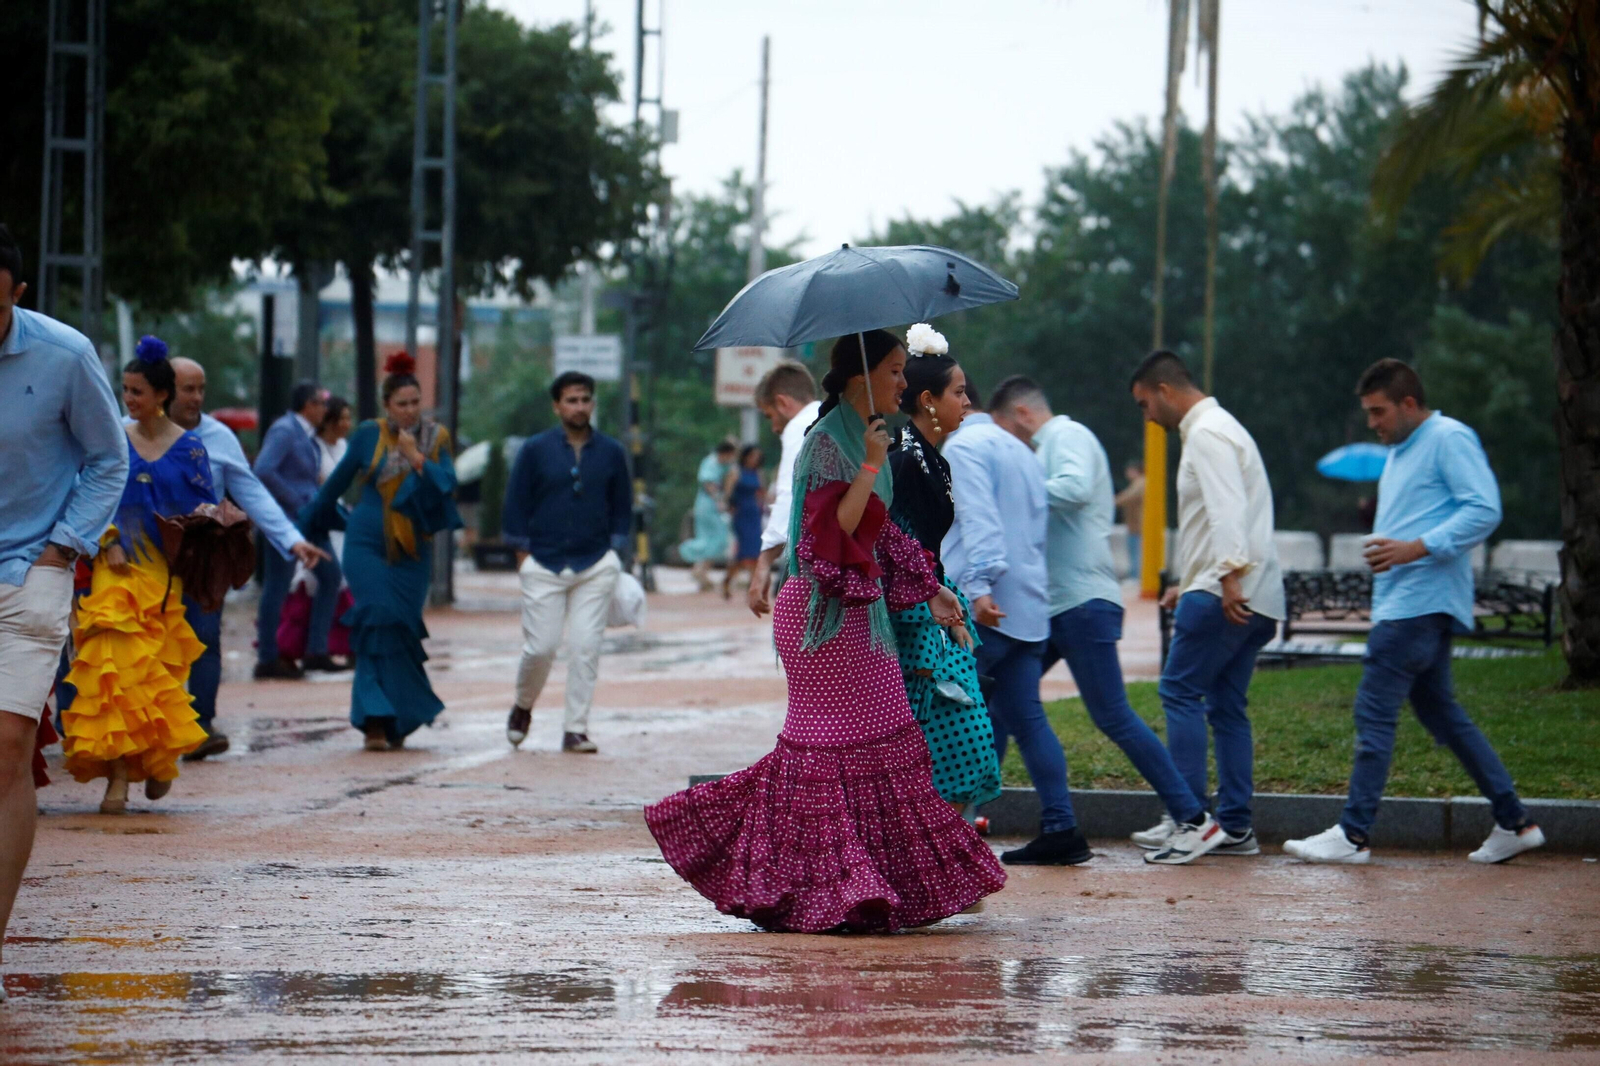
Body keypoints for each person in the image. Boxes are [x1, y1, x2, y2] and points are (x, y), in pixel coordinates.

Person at [645, 330, 1004, 932]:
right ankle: (822, 885)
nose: (902, 382)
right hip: (820, 615)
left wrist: (932, 587)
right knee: (836, 751)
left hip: (862, 612)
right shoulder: (825, 444)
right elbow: (829, 534)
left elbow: (882, 532)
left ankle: (875, 882)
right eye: (894, 371)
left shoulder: (870, 434)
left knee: (888, 741)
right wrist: (868, 461)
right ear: (862, 375)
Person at [1286, 360, 1544, 865]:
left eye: (1378, 411)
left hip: (1416, 607)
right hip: (1411, 603)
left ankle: (1353, 834)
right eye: (1367, 412)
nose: (1371, 422)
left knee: (1373, 715)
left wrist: (1415, 548)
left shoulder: (1448, 437)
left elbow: (1485, 508)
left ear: (1408, 403)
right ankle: (1516, 821)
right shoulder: (1403, 450)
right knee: (1444, 716)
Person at [990, 376, 1224, 865]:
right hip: (1056, 605)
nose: (1006, 448)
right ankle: (1048, 827)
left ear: (1023, 415)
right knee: (1005, 703)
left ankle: (1194, 818)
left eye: (1005, 433)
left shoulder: (1066, 437)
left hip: (1079, 603)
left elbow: (1073, 489)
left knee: (1111, 714)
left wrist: (1010, 488)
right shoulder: (1045, 446)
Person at [0, 222, 127, 978]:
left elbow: (109, 459)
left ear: (16, 291)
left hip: (31, 571)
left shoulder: (65, 355)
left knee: (10, 749)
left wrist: (63, 548)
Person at [1128, 351, 1283, 862]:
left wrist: (1226, 575)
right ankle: (1234, 826)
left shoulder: (1208, 433)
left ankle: (1189, 820)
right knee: (1226, 707)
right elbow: (1222, 515)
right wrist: (1194, 579)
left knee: (1178, 692)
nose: (1147, 415)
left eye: (1146, 403)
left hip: (1226, 590)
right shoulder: (1224, 428)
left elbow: (1226, 509)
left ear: (1166, 390)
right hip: (1250, 592)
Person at [62, 336, 212, 812]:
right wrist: (106, 541)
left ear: (161, 395)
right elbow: (85, 493)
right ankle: (119, 778)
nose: (128, 399)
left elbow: (202, 515)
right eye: (125, 390)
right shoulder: (112, 442)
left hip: (164, 576)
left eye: (137, 391)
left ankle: (159, 759)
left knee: (159, 676)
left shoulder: (190, 450)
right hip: (113, 570)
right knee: (115, 676)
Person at [945, 379, 1089, 867]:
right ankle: (1061, 824)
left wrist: (980, 588)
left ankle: (952, 837)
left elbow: (981, 523)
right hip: (1028, 608)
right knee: (1028, 721)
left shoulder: (964, 446)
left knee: (951, 717)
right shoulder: (1022, 450)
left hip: (987, 607)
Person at [166, 358, 330, 761]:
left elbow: (252, 491)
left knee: (205, 636)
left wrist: (291, 540)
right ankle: (154, 729)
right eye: (188, 389)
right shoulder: (130, 432)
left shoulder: (219, 438)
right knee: (150, 645)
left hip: (203, 558)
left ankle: (201, 725)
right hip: (146, 557)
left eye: (201, 388)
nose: (197, 397)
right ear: (163, 389)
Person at [300, 353, 462, 751]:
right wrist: (314, 526)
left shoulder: (435, 438)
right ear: (387, 405)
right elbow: (333, 488)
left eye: (415, 403)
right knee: (376, 619)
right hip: (366, 543)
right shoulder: (368, 434)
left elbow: (447, 484)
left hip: (413, 551)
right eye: (401, 404)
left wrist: (415, 456)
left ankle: (398, 718)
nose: (409, 410)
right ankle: (374, 718)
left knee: (400, 627)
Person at [887, 324, 1001, 812]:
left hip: (939, 606)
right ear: (928, 400)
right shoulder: (901, 462)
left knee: (966, 743)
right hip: (916, 620)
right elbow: (888, 543)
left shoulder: (936, 460)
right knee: (951, 742)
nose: (968, 402)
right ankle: (935, 870)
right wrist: (927, 593)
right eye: (959, 392)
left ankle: (944, 865)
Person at [502, 371, 631, 754]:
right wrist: (523, 557)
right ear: (557, 405)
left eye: (585, 399)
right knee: (540, 648)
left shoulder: (611, 451)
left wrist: (615, 551)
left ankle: (575, 729)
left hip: (594, 564)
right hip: (543, 562)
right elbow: (515, 505)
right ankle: (523, 706)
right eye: (572, 400)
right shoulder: (534, 449)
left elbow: (622, 508)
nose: (579, 406)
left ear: (593, 403)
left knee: (585, 647)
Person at [254, 382, 343, 678]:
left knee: (330, 576)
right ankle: (267, 658)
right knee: (277, 586)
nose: (325, 409)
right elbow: (264, 469)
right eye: (321, 403)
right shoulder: (285, 430)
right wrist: (296, 498)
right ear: (307, 405)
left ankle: (316, 650)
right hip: (287, 522)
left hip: (311, 521)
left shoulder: (306, 435)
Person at [748, 362, 822, 617]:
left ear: (782, 402)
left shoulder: (800, 428)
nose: (774, 428)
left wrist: (763, 564)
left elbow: (790, 497)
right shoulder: (834, 420)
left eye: (769, 416)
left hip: (819, 568)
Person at [680, 441, 736, 592]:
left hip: (714, 504)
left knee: (717, 539)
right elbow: (709, 484)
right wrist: (719, 499)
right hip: (708, 504)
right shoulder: (710, 463)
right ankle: (698, 569)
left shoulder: (724, 465)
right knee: (713, 537)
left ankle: (701, 571)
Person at [721, 444, 766, 600]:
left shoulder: (757, 473)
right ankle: (730, 580)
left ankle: (750, 585)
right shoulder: (736, 471)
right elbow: (728, 493)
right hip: (741, 513)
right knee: (744, 552)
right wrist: (729, 506)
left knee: (754, 551)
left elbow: (761, 493)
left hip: (754, 513)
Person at [1115, 460, 1146, 579]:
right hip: (1135, 526)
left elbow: (1127, 497)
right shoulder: (1138, 483)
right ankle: (1136, 576)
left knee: (1136, 554)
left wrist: (1110, 501)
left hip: (1138, 526)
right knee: (1135, 552)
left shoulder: (1140, 483)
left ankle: (1136, 578)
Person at [316, 395, 353, 481]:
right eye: (342, 419)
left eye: (348, 419)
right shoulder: (314, 446)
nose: (347, 424)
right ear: (329, 421)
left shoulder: (343, 445)